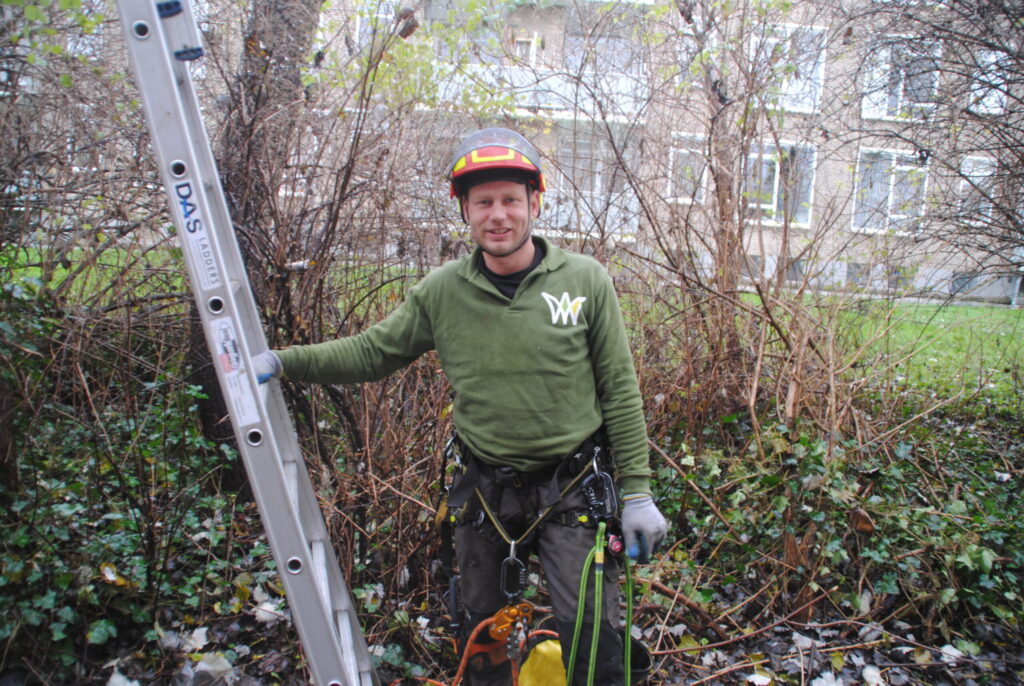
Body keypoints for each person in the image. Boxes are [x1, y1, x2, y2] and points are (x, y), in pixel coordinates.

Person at [253, 127, 667, 686]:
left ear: (534, 204)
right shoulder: (442, 291)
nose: (498, 215)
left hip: (572, 486)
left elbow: (620, 389)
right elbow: (373, 352)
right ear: (465, 210)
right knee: (482, 635)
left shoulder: (584, 281)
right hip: (485, 488)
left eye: (511, 201)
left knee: (593, 638)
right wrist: (284, 361)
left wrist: (638, 493)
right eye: (484, 203)